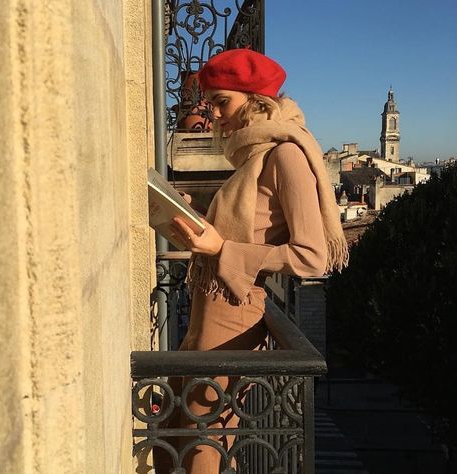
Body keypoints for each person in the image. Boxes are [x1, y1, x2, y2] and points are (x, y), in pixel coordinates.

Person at [163, 48, 348, 473]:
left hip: (235, 312)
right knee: (179, 428)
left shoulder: (286, 154)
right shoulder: (252, 155)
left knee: (202, 436)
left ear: (255, 100)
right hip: (211, 305)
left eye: (221, 101)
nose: (213, 115)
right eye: (209, 104)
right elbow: (249, 222)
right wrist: (194, 222)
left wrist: (222, 250)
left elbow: (312, 256)